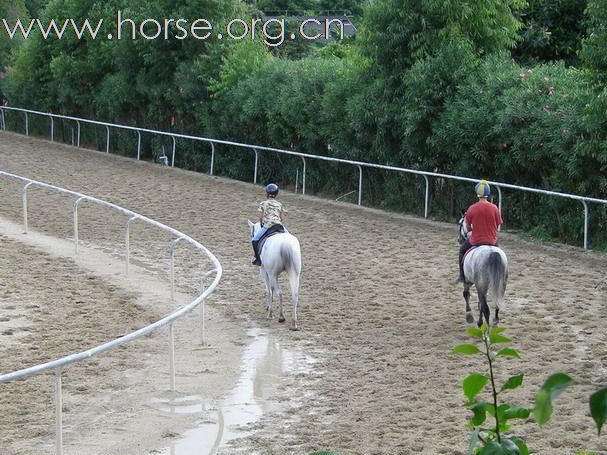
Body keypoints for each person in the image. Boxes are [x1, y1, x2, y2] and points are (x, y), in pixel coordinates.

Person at [457, 179, 503, 283]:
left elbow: (468, 228)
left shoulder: (472, 209)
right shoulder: (495, 208)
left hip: (476, 240)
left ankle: (462, 276)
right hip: (492, 241)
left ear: (477, 194)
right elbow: (498, 224)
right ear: (488, 193)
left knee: (462, 251)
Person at [252, 183, 288, 266]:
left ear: (267, 193)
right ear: (276, 194)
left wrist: (261, 223)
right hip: (279, 225)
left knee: (255, 240)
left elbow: (260, 216)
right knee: (289, 237)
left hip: (268, 225)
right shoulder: (280, 204)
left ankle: (257, 259)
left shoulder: (263, 203)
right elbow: (282, 217)